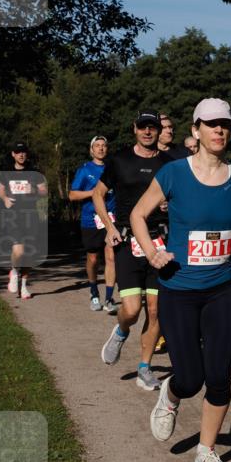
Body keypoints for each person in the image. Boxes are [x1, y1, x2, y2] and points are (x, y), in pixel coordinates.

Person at [130, 98, 231, 462]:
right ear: (196, 130)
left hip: (222, 290)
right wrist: (153, 251)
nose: (219, 130)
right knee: (190, 379)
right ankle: (171, 396)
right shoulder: (173, 174)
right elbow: (138, 215)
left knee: (220, 376)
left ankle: (206, 452)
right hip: (178, 288)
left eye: (225, 124)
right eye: (211, 124)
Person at [93, 110, 171, 391]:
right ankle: (122, 330)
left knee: (156, 310)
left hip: (160, 243)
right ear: (134, 128)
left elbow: (181, 197)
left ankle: (144, 368)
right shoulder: (120, 160)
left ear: (159, 130)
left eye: (153, 127)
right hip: (128, 242)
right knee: (132, 309)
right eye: (143, 127)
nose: (148, 132)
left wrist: (169, 206)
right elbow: (97, 195)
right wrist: (110, 228)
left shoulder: (170, 162)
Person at [69, 136, 117, 313]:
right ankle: (94, 291)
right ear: (91, 150)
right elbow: (72, 195)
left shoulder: (113, 168)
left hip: (111, 220)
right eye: (97, 146)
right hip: (91, 220)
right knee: (93, 258)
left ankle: (109, 298)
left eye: (104, 146)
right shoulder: (85, 170)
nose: (101, 149)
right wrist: (94, 193)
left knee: (111, 257)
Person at [0, 143, 47, 299]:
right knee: (19, 251)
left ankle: (24, 286)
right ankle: (13, 271)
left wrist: (33, 190)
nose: (21, 155)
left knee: (29, 252)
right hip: (13, 216)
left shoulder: (34, 172)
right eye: (18, 152)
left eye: (24, 152)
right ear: (13, 154)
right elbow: (0, 190)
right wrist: (5, 198)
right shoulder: (6, 173)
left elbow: (43, 191)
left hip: (30, 215)